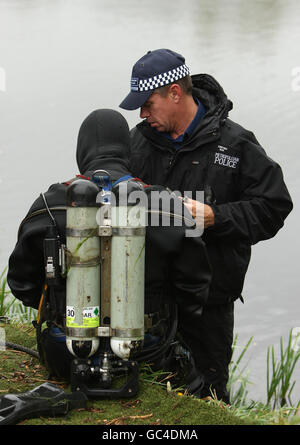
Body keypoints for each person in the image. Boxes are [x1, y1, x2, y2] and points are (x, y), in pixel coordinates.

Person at [119, 48, 293, 403]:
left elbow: (274, 207)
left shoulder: (236, 145)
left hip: (208, 306)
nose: (142, 113)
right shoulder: (136, 144)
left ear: (174, 93)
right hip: (146, 301)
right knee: (143, 394)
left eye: (148, 103)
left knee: (208, 401)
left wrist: (216, 217)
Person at [7, 108, 211, 396]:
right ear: (128, 152)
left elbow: (20, 284)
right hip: (148, 353)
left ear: (82, 151)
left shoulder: (48, 205)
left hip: (65, 353)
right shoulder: (169, 206)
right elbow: (196, 286)